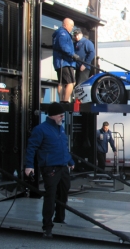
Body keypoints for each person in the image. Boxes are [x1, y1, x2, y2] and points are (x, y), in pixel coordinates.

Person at [25, 102, 75, 238]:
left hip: (63, 167)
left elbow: (64, 147)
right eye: (60, 115)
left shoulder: (61, 129)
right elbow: (31, 148)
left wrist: (70, 161)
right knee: (50, 196)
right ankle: (47, 226)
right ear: (53, 115)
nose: (62, 118)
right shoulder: (41, 130)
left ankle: (59, 218)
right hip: (50, 168)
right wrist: (29, 165)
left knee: (63, 194)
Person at [52, 18, 79, 103]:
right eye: (71, 26)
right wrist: (72, 54)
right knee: (71, 82)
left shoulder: (60, 33)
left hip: (60, 62)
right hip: (64, 62)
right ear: (66, 24)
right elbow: (63, 46)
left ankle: (62, 100)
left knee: (63, 83)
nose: (72, 28)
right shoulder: (63, 33)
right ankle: (65, 101)